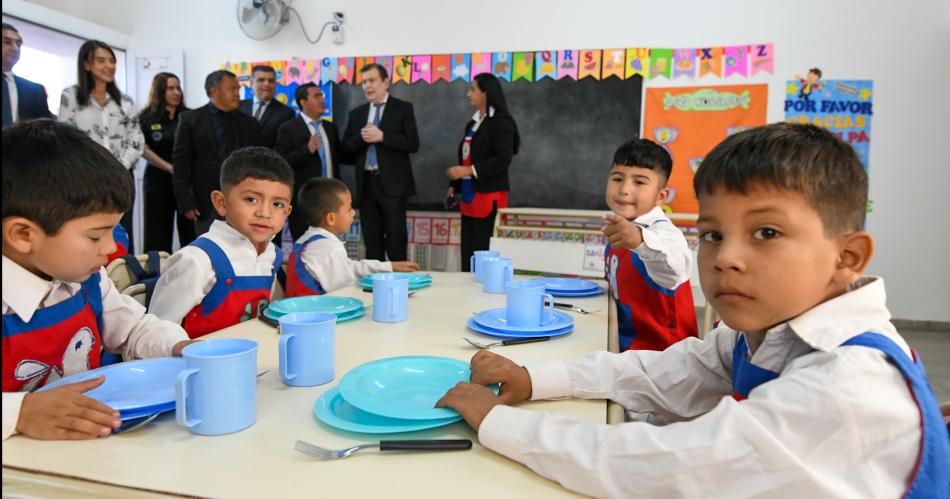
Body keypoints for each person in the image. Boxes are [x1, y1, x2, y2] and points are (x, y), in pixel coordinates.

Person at [437, 123, 950, 497]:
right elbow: (669, 370)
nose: (726, 257)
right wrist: (537, 378)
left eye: (766, 233)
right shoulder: (767, 331)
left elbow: (674, 469)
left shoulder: (846, 384)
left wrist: (500, 424)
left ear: (847, 258)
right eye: (712, 234)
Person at [2, 120, 193, 441]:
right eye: (95, 236)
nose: (112, 248)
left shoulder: (86, 279)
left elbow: (132, 330)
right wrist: (20, 412)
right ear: (23, 235)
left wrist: (179, 347)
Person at [151, 147, 291, 338]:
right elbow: (155, 334)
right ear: (221, 203)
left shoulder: (272, 255)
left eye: (277, 204)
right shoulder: (197, 260)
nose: (265, 213)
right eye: (251, 199)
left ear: (287, 212)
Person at [601, 139, 697, 351]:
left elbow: (673, 269)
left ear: (661, 195)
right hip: (625, 346)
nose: (624, 189)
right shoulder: (621, 226)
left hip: (664, 356)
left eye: (640, 182)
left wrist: (639, 240)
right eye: (617, 178)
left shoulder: (664, 233)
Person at [59, 40, 143, 250]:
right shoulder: (71, 97)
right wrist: (94, 170)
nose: (109, 66)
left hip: (121, 178)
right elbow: (66, 138)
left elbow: (136, 139)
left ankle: (121, 279)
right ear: (87, 65)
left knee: (121, 236)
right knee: (89, 234)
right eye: (101, 60)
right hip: (85, 180)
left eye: (112, 61)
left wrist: (117, 167)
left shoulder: (125, 102)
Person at [285, 178, 419, 297]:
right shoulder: (330, 248)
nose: (353, 213)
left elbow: (350, 267)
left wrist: (389, 266)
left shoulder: (307, 240)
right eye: (349, 209)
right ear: (331, 218)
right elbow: (345, 291)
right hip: (313, 316)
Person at [341, 63, 419, 262]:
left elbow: (412, 143)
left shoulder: (403, 108)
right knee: (372, 241)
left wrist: (382, 136)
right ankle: (373, 285)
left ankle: (400, 283)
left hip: (393, 186)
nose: (367, 86)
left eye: (372, 80)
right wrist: (362, 137)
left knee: (396, 239)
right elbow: (345, 150)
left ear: (385, 82)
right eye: (364, 82)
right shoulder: (357, 113)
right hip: (366, 184)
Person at [173, 70, 263, 236]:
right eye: (232, 89)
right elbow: (181, 164)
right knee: (207, 252)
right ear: (214, 91)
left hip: (243, 200)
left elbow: (258, 162)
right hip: (204, 203)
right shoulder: (191, 120)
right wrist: (186, 201)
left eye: (238, 89)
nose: (237, 94)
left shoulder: (249, 123)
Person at [446, 73, 520, 271]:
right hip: (470, 196)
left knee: (484, 252)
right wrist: (454, 185)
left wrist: (468, 170)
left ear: (485, 94)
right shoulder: (473, 123)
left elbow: (503, 159)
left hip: (489, 197)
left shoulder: (502, 122)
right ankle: (466, 295)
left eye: (473, 89)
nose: (469, 94)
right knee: (468, 253)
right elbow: (466, 158)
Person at [275, 82, 342, 240]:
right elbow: (281, 162)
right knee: (305, 247)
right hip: (304, 200)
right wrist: (307, 150)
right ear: (303, 102)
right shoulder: (288, 128)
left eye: (322, 96)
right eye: (317, 96)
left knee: (329, 246)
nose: (322, 99)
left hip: (331, 199)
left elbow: (340, 157)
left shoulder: (330, 128)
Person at [138, 72, 195, 252]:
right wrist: (170, 168)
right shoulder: (146, 118)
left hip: (186, 183)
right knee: (157, 234)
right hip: (158, 181)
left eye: (178, 88)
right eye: (170, 88)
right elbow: (142, 149)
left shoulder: (190, 116)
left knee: (190, 233)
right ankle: (155, 276)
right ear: (159, 91)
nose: (176, 92)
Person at [2, 22, 54, 129]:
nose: (15, 48)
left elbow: (46, 130)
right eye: (7, 42)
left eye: (18, 44)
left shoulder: (34, 91)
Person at [239, 65, 295, 149]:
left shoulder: (286, 113)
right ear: (251, 83)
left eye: (271, 81)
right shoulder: (238, 107)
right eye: (261, 80)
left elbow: (283, 146)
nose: (267, 84)